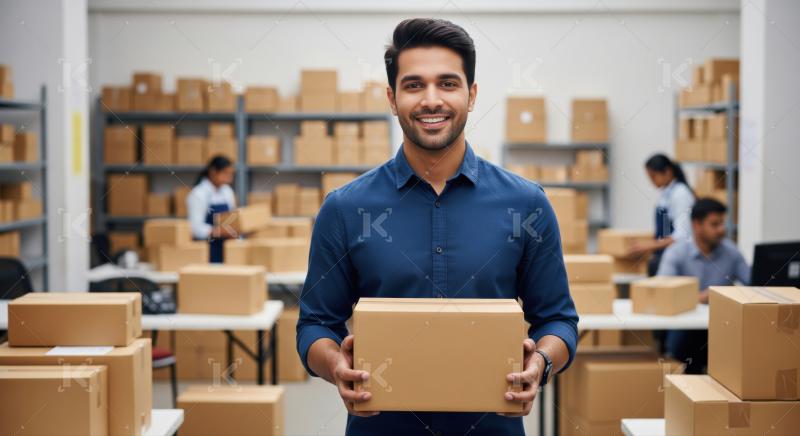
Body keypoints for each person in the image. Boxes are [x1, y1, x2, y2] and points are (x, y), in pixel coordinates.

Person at [296, 18, 578, 436]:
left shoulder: (526, 203)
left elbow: (558, 320)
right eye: (413, 85)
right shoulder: (345, 208)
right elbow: (315, 324)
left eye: (448, 83)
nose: (431, 100)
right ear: (392, 99)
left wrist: (540, 364)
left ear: (472, 94)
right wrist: (334, 363)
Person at [657, 198, 750, 373]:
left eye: (722, 223)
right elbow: (663, 295)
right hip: (685, 325)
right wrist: (706, 295)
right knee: (687, 345)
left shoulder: (731, 251)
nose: (721, 229)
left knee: (746, 344)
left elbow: (754, 282)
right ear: (697, 226)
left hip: (721, 323)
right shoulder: (677, 253)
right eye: (715, 224)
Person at [629, 153, 696, 275]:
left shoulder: (681, 195)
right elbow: (663, 231)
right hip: (663, 255)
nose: (652, 182)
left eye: (653, 176)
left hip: (677, 259)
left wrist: (649, 246)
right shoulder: (665, 193)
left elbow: (681, 236)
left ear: (667, 171)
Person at [187, 155, 237, 263]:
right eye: (225, 173)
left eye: (231, 174)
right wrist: (219, 232)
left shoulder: (227, 191)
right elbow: (195, 228)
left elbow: (232, 216)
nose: (229, 178)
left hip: (226, 249)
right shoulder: (198, 194)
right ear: (213, 171)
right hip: (207, 249)